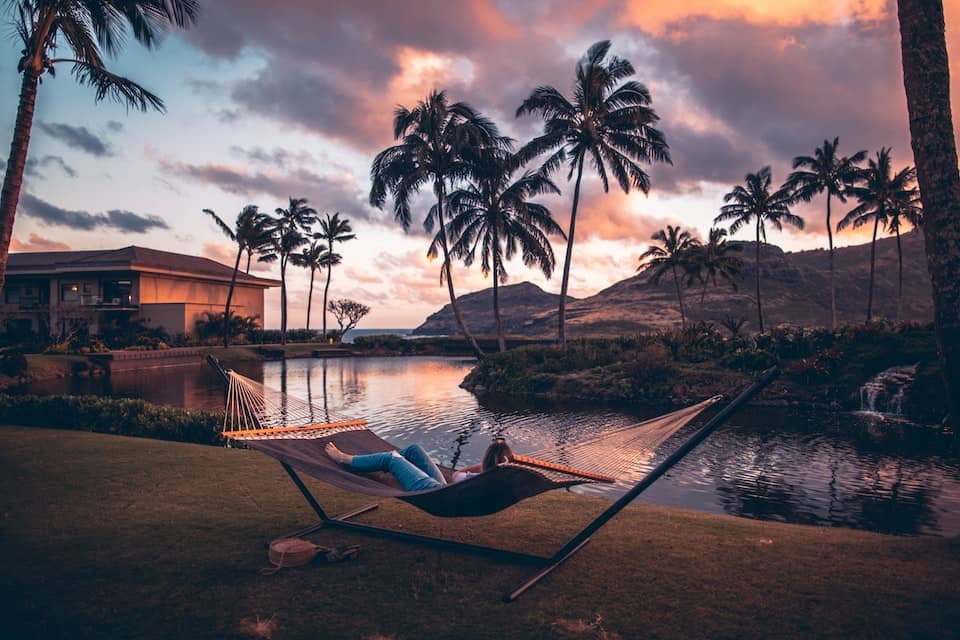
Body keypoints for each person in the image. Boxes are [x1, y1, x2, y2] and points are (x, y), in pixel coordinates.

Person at [324, 437, 513, 492]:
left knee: (392, 458)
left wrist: (482, 466)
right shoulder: (500, 480)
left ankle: (344, 459)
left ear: (487, 459)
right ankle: (368, 463)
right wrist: (492, 467)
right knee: (414, 450)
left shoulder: (480, 476)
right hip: (444, 491)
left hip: (437, 495)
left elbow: (456, 475)